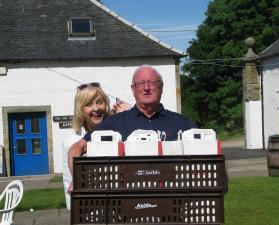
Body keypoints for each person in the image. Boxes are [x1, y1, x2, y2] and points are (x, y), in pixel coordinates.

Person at [68, 65, 197, 175]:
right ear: (133, 89)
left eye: (152, 82)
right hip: (127, 200)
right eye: (140, 83)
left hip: (172, 199)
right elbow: (77, 148)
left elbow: (211, 151)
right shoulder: (114, 122)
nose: (146, 88)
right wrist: (78, 179)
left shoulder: (182, 123)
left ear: (161, 87)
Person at [62, 83, 129, 210]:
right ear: (80, 109)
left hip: (121, 205)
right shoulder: (71, 143)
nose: (96, 108)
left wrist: (129, 116)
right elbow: (69, 183)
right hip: (90, 209)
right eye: (88, 104)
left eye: (99, 102)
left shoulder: (120, 132)